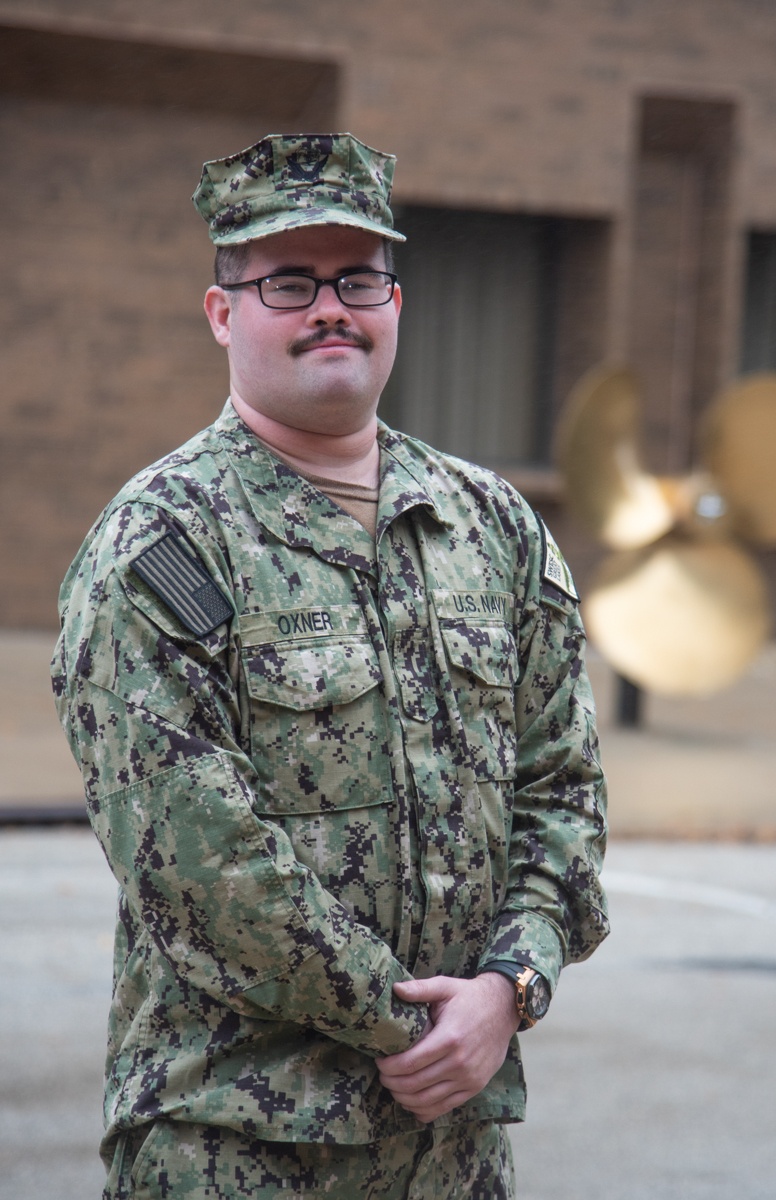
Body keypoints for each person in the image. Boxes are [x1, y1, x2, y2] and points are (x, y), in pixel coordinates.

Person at [52, 132, 609, 1199]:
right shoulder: (164, 543)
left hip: (452, 1152)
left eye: (358, 277)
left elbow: (562, 786)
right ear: (224, 313)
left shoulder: (490, 525)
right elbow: (196, 858)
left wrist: (509, 983)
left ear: (395, 299)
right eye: (288, 281)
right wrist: (411, 1024)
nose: (330, 308)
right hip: (237, 1143)